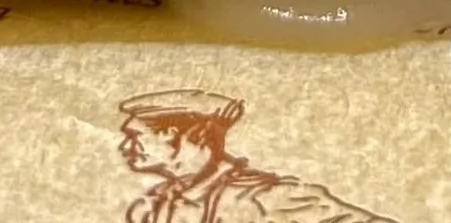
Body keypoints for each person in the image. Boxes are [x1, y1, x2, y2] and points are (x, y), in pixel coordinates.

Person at [115, 92, 397, 223]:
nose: (125, 146)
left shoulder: (267, 198)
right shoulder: (154, 206)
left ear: (189, 137)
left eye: (136, 137)